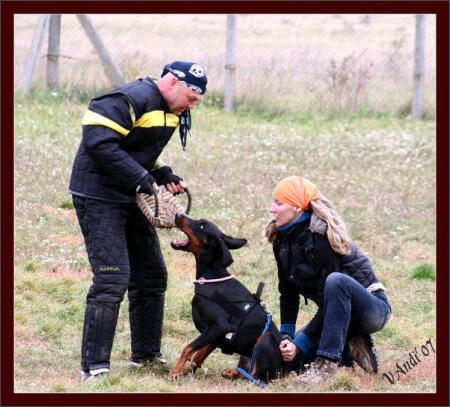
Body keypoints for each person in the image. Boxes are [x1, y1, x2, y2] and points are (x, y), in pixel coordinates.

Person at [68, 61, 208, 382]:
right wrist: (142, 177)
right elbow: (99, 142)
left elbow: (137, 148)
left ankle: (145, 358)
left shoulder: (171, 109)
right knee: (112, 277)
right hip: (98, 194)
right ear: (172, 83)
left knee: (151, 275)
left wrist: (162, 173)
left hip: (129, 192)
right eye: (190, 97)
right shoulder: (130, 98)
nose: (192, 105)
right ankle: (94, 369)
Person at [265, 175, 392, 385]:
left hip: (372, 310)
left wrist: (301, 343)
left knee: (336, 281)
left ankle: (327, 365)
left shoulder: (321, 238)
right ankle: (349, 344)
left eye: (279, 203)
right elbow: (287, 292)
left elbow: (328, 301)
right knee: (288, 365)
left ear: (297, 207)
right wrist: (286, 339)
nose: (272, 209)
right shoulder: (281, 240)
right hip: (338, 314)